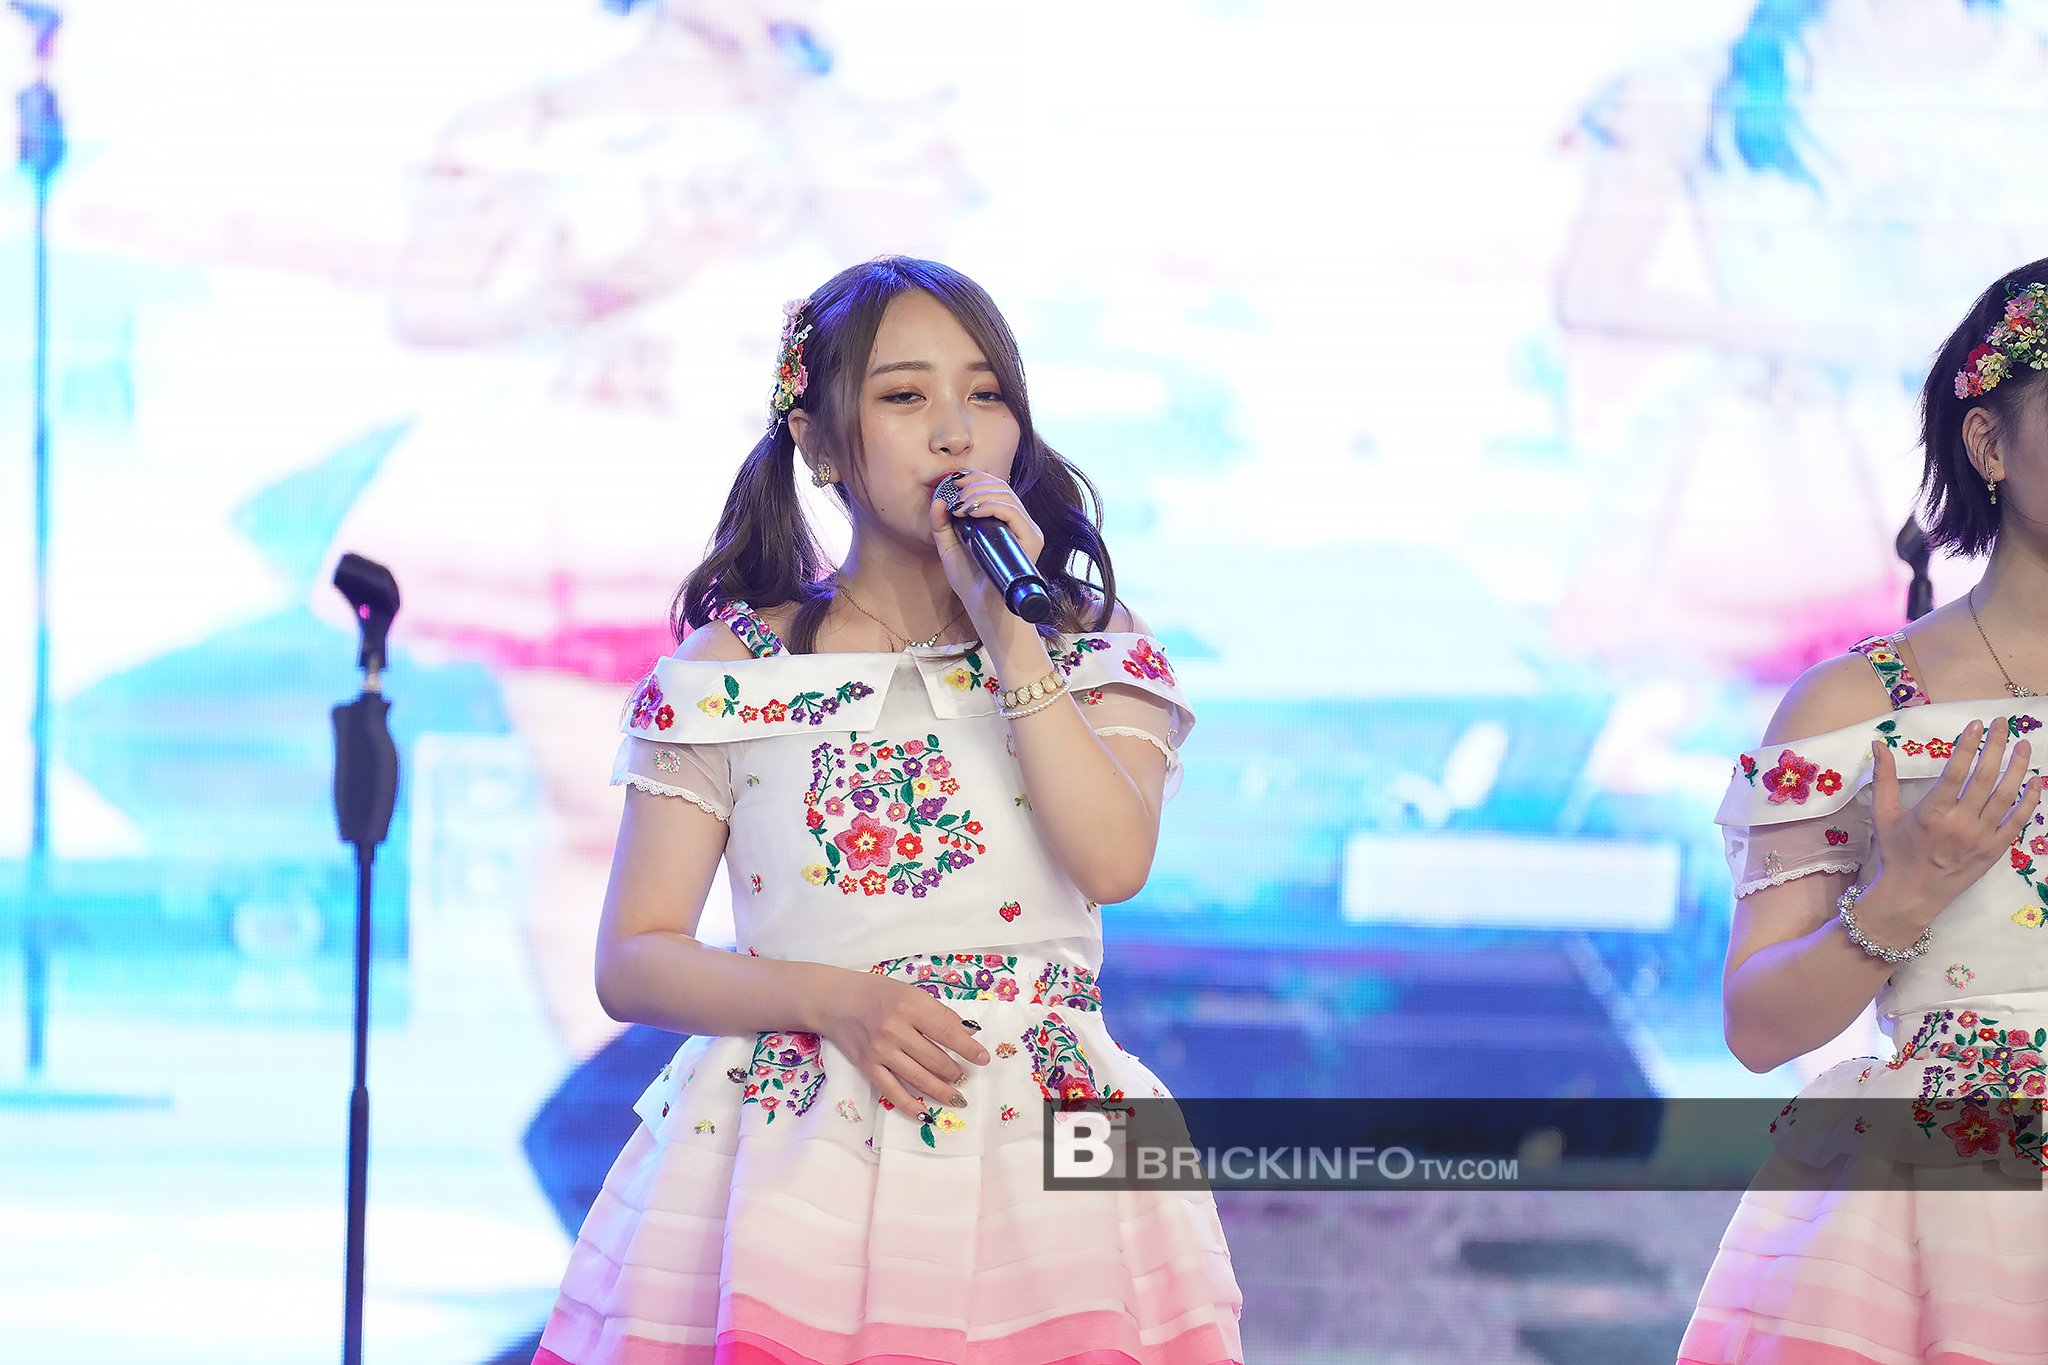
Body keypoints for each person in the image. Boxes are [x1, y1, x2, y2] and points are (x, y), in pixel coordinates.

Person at [530, 257, 1245, 1365]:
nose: (954, 432)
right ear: (818, 441)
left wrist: (1013, 638)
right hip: (797, 1149)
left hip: (1054, 1141)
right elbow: (634, 958)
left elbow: (1112, 862)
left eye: (985, 394)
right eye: (905, 396)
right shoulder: (733, 667)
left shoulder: (1091, 643)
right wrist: (837, 1001)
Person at [1678, 259, 2048, 1362]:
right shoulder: (1859, 707)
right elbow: (1757, 1029)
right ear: (1988, 445)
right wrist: (1902, 898)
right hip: (1960, 1196)